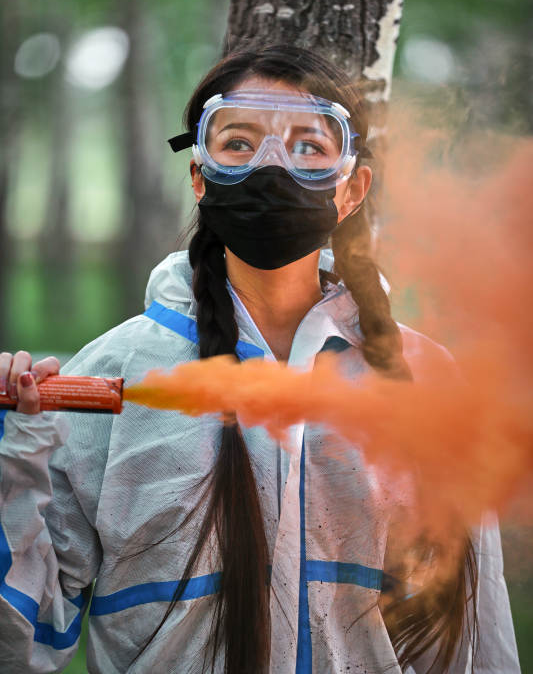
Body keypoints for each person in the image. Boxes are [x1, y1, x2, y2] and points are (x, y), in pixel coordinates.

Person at [0, 46, 520, 674]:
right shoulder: (111, 372)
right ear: (199, 175)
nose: (270, 167)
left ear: (352, 187)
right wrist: (12, 468)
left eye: (308, 147)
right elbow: (25, 642)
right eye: (240, 143)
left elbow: (479, 637)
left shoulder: (426, 381)